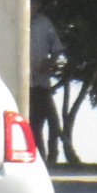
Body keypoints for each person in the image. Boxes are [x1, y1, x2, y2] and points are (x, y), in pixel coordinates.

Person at [29, 10, 66, 162]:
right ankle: (40, 158)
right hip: (24, 84)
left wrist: (50, 62)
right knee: (34, 125)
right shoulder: (14, 20)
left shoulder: (44, 23)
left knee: (53, 122)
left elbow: (58, 48)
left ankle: (52, 156)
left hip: (41, 83)